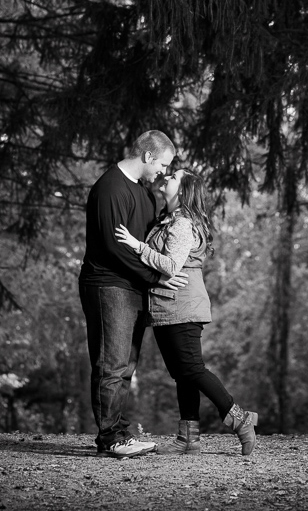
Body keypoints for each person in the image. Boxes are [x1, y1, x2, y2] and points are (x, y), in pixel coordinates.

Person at [115, 168, 258, 456]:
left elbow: (170, 265)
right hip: (169, 306)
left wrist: (135, 245)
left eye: (174, 177)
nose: (166, 178)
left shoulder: (181, 224)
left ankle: (239, 418)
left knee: (192, 369)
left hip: (182, 305)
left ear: (182, 191)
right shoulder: (166, 220)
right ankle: (188, 438)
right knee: (183, 374)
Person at [78, 130, 188, 458]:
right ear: (147, 156)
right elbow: (114, 248)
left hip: (134, 288)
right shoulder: (110, 187)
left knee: (126, 366)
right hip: (107, 286)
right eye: (163, 164)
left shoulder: (146, 196)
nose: (163, 172)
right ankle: (109, 438)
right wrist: (156, 278)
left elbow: (148, 245)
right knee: (110, 364)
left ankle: (120, 432)